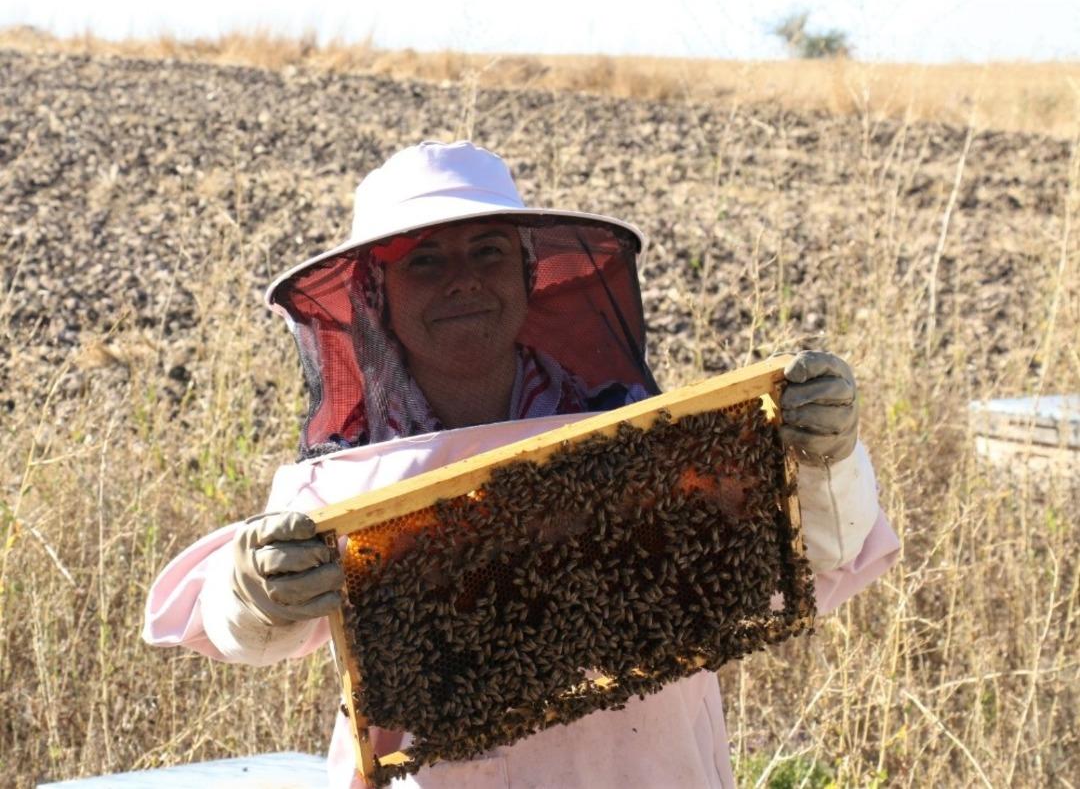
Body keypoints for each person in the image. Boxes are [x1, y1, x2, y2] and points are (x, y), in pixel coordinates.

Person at [144, 141, 899, 788]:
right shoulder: (344, 477)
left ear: (528, 273)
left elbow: (822, 554)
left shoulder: (640, 440)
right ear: (377, 295)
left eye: (487, 251)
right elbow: (246, 631)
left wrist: (825, 457)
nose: (462, 278)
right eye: (425, 260)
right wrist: (255, 588)